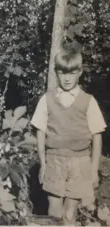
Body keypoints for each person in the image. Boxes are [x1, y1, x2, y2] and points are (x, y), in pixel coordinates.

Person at [31, 46, 106, 225]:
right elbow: (40, 132)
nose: (66, 78)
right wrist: (43, 163)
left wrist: (93, 171)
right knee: (55, 213)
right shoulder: (47, 100)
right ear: (56, 72)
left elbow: (97, 137)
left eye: (71, 73)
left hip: (80, 163)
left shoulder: (88, 101)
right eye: (62, 72)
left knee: (70, 214)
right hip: (54, 160)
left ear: (79, 72)